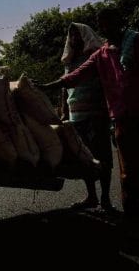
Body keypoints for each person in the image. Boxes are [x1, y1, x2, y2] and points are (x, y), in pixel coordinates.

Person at [43, 7, 139, 241]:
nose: (106, 28)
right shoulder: (101, 54)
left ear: (120, 21)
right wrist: (48, 86)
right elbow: (77, 75)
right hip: (124, 119)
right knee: (129, 174)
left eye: (109, 22)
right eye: (102, 24)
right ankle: (135, 220)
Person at [59, 22, 114, 212]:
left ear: (84, 35)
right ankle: (92, 196)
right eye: (71, 35)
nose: (74, 39)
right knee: (85, 158)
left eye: (77, 34)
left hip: (96, 114)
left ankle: (106, 198)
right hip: (76, 115)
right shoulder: (70, 61)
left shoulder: (95, 57)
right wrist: (63, 111)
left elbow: (107, 84)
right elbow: (65, 87)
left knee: (103, 157)